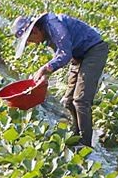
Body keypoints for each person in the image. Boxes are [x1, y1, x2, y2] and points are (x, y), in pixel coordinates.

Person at [12, 13, 109, 147]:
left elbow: (65, 54)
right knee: (68, 101)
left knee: (81, 100)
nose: (31, 43)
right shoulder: (45, 32)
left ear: (34, 31)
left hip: (93, 50)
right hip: (78, 56)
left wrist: (45, 68)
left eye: (29, 40)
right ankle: (77, 134)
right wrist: (46, 75)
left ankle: (85, 144)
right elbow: (58, 55)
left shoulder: (53, 24)